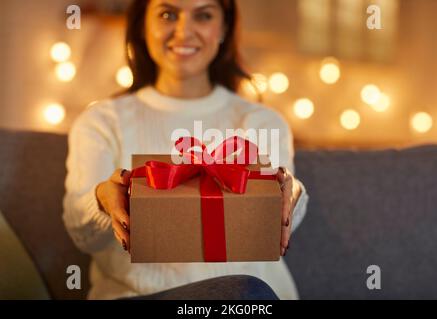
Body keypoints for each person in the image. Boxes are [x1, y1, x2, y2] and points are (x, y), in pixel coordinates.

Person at [63, 0, 309, 300]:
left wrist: (290, 196)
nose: (184, 31)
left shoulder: (262, 121)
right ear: (142, 25)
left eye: (203, 15)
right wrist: (102, 201)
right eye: (168, 14)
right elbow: (81, 233)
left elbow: (279, 225)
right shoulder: (101, 121)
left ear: (224, 28)